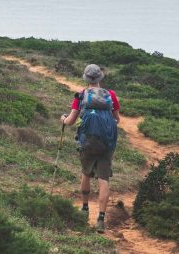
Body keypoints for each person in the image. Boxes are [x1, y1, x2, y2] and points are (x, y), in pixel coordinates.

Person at [60, 64, 120, 233]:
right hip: (107, 144)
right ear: (100, 78)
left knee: (86, 173)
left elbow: (71, 121)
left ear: (86, 78)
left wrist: (63, 119)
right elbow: (117, 119)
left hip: (88, 143)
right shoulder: (111, 95)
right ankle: (101, 219)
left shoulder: (81, 95)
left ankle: (85, 208)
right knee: (104, 180)